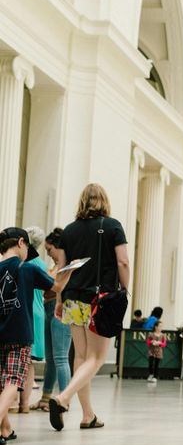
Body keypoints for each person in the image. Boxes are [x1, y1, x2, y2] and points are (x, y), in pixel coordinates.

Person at [50, 183, 130, 432]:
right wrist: (125, 289)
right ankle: (63, 398)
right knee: (96, 358)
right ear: (104, 201)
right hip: (99, 300)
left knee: (81, 357)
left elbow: (63, 270)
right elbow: (123, 262)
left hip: (73, 298)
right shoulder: (113, 226)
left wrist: (60, 299)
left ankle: (88, 415)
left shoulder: (69, 231)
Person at [0, 227, 72, 445]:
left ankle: (5, 429)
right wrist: (70, 270)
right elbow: (56, 286)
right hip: (20, 334)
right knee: (13, 381)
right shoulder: (28, 268)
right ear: (21, 243)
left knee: (2, 384)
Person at [32, 228, 72, 412]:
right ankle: (46, 398)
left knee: (61, 358)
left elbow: (56, 287)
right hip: (48, 308)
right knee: (50, 359)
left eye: (49, 249)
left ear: (58, 247)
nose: (47, 253)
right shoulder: (56, 266)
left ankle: (64, 400)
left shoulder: (67, 266)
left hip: (60, 310)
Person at [16, 227, 46, 414]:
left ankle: (11, 403)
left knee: (15, 358)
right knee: (29, 362)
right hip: (38, 312)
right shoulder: (41, 264)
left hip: (23, 311)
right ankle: (24, 404)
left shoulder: (22, 262)